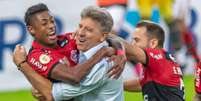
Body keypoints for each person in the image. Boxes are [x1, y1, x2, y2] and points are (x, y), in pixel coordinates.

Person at [13, 4, 126, 101]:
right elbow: (73, 76)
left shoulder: (68, 39)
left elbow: (106, 35)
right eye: (44, 23)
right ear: (31, 29)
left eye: (52, 21)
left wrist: (119, 51)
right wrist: (104, 51)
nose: (51, 26)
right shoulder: (37, 56)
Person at [117, 21, 185, 101]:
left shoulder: (157, 57)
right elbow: (142, 83)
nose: (133, 44)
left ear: (153, 43)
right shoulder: (163, 60)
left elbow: (130, 50)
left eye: (137, 40)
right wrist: (116, 85)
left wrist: (105, 35)